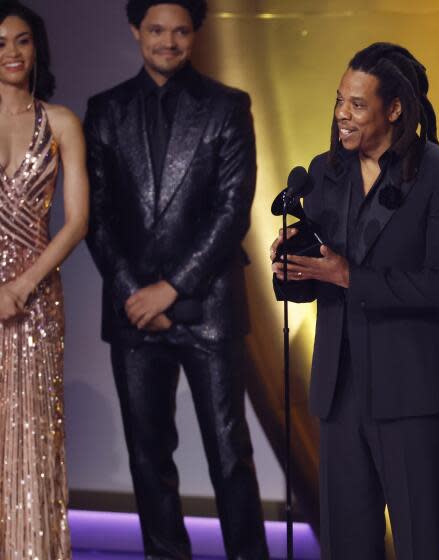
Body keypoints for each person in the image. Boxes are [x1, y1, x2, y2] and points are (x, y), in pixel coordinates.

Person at [271, 42, 439, 560]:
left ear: (395, 108)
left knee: (420, 546)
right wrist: (290, 267)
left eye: (357, 104)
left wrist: (348, 276)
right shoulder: (324, 171)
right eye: (340, 100)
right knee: (347, 547)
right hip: (340, 394)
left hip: (412, 392)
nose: (342, 113)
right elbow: (315, 282)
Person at [83, 1, 268, 558]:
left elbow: (233, 211)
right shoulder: (105, 110)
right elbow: (96, 216)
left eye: (181, 31)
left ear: (196, 34)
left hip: (208, 307)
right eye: (157, 29)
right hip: (134, 309)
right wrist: (134, 293)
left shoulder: (228, 107)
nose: (168, 41)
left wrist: (173, 288)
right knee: (147, 455)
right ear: (136, 30)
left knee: (230, 454)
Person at [0, 2, 89, 558]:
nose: (11, 52)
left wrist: (20, 286)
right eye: (0, 42)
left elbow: (77, 221)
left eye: (23, 41)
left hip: (33, 303)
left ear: (38, 49)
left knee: (31, 440)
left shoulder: (60, 122)